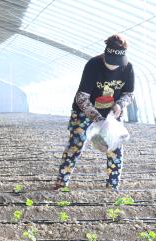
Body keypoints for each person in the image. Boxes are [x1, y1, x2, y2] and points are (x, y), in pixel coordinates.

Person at [55, 34, 135, 191]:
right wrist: (96, 117)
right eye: (111, 61)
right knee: (76, 144)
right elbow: (81, 97)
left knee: (115, 146)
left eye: (117, 63)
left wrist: (120, 105)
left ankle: (112, 187)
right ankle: (61, 183)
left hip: (111, 113)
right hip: (85, 111)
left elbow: (129, 94)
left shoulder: (128, 68)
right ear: (106, 54)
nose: (113, 66)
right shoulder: (93, 65)